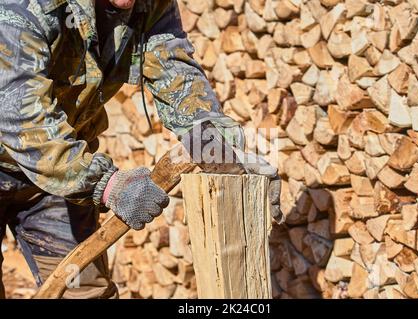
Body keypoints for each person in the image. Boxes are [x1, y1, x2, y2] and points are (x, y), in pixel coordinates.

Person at [0, 0, 281, 299]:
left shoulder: (151, 4)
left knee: (84, 293)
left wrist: (224, 156)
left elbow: (175, 73)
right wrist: (106, 185)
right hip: (39, 149)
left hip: (57, 178)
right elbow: (17, 115)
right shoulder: (27, 5)